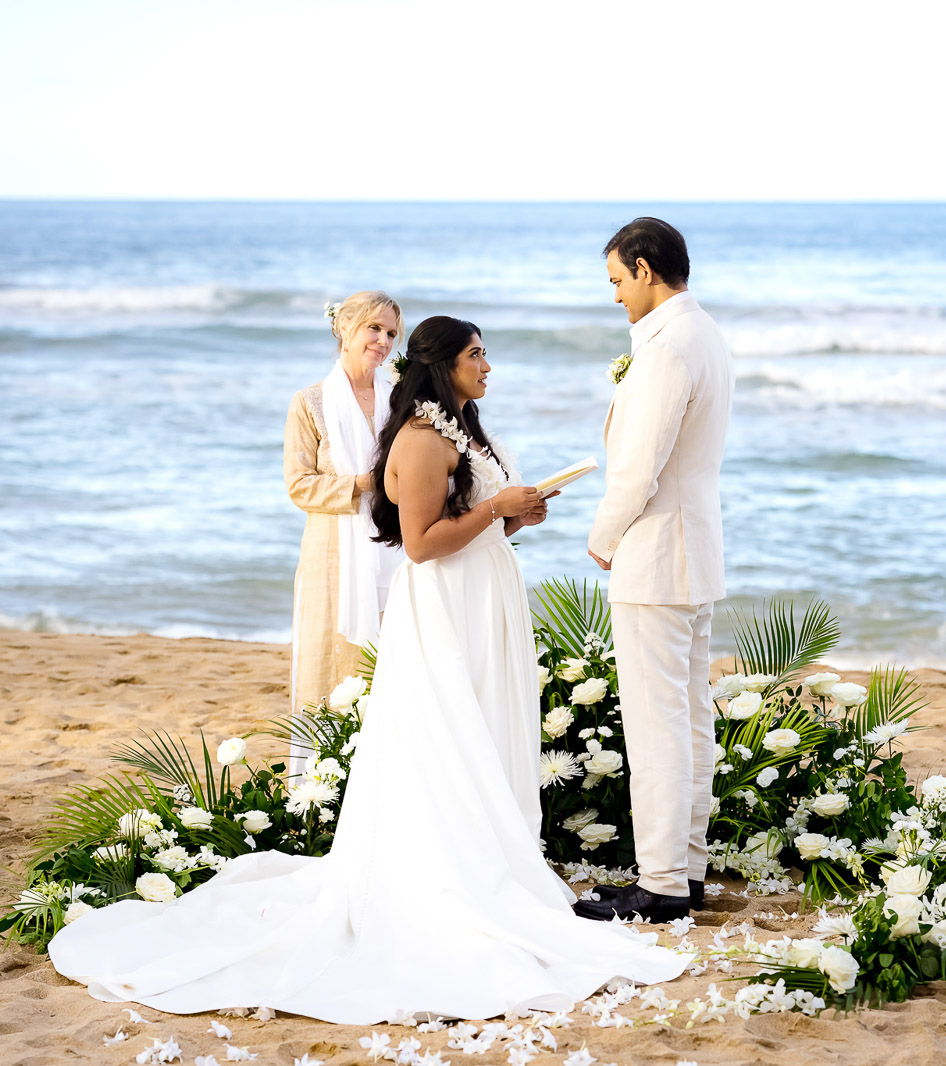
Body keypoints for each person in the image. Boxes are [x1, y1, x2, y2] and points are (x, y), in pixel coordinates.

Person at [48, 316, 686, 1022]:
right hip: (445, 611)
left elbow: (471, 522)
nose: (489, 365)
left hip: (485, 599)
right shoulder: (417, 440)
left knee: (490, 725)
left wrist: (516, 516)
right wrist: (496, 509)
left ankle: (500, 865)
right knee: (451, 736)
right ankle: (453, 876)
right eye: (477, 355)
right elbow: (420, 544)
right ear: (443, 365)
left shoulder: (465, 431)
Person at [575, 218, 734, 924]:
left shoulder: (668, 350)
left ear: (644, 269)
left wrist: (602, 535)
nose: (614, 297)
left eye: (615, 280)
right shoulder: (707, 335)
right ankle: (686, 871)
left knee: (656, 723)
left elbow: (638, 467)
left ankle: (664, 882)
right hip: (694, 550)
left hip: (656, 553)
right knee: (690, 719)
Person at [283, 292, 407, 775]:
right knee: (328, 660)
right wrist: (362, 484)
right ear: (345, 329)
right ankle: (321, 782)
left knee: (387, 663)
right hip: (331, 552)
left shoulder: (400, 398)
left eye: (392, 333)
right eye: (374, 329)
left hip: (394, 546)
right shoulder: (310, 402)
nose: (383, 341)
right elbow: (299, 485)